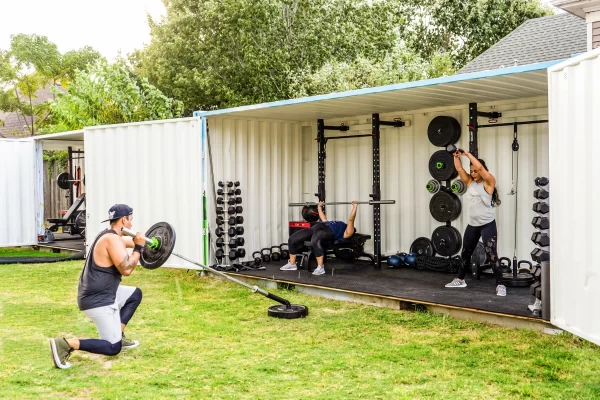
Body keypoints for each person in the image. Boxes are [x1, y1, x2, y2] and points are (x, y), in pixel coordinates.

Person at [48, 204, 147, 369]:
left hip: (105, 293)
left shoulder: (111, 235)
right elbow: (127, 268)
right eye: (131, 220)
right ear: (124, 219)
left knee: (135, 294)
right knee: (112, 348)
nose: (131, 224)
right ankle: (65, 343)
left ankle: (119, 334)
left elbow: (132, 241)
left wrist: (150, 243)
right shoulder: (112, 239)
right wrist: (138, 248)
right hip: (98, 299)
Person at [444, 149, 507, 296]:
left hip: (487, 225)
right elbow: (459, 168)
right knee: (465, 253)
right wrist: (456, 157)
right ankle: (460, 279)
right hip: (472, 225)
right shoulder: (470, 182)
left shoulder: (489, 182)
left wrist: (467, 155)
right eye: (471, 171)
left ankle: (501, 285)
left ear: (482, 171)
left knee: (492, 255)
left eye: (475, 171)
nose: (473, 173)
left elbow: (480, 167)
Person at [280, 201, 358, 275]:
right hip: (316, 227)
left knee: (315, 240)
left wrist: (354, 207)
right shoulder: (334, 224)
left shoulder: (348, 233)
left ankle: (320, 268)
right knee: (292, 239)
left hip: (327, 231)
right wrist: (319, 207)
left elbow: (351, 220)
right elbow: (324, 219)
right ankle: (292, 264)